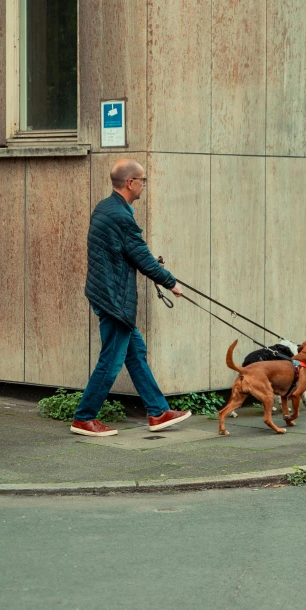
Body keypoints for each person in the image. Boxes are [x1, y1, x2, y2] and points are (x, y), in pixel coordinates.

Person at [71, 158, 191, 437]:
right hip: (115, 300)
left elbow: (125, 252)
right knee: (111, 361)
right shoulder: (120, 216)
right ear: (130, 183)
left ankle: (158, 412)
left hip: (106, 293)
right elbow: (140, 255)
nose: (145, 185)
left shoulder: (106, 207)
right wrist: (171, 282)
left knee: (135, 352)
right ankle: (83, 417)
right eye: (143, 180)